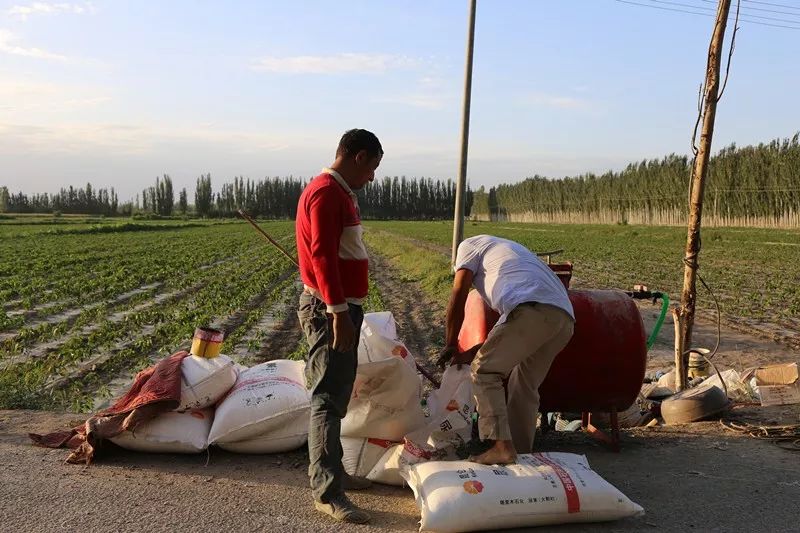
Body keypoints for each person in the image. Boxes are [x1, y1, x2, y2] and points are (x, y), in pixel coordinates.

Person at [295, 129, 382, 524]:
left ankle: (337, 473)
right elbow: (323, 257)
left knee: (338, 394)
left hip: (342, 307)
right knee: (327, 399)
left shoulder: (339, 192)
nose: (372, 178)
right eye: (372, 168)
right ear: (358, 157)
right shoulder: (327, 192)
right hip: (331, 310)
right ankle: (328, 493)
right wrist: (337, 313)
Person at [437, 235, 575, 465]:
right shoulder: (511, 254)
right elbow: (510, 335)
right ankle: (519, 453)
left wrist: (451, 343)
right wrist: (471, 353)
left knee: (484, 372)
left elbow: (459, 292)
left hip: (531, 308)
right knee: (523, 384)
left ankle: (500, 445)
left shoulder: (468, 246)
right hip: (563, 317)